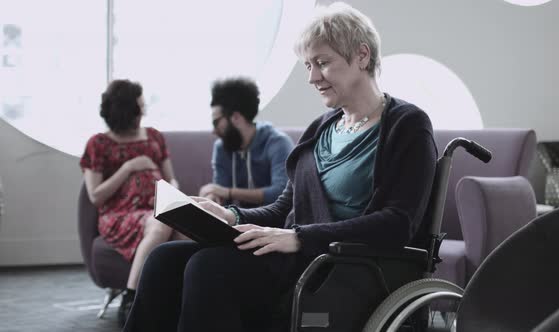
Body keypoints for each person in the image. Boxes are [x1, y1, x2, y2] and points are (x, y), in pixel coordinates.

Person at [124, 3, 437, 332]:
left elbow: (398, 224)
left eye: (322, 62)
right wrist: (232, 216)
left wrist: (299, 238)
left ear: (361, 56)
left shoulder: (407, 125)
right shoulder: (321, 128)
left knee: (208, 266)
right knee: (163, 260)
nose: (312, 77)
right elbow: (286, 207)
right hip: (302, 255)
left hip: (345, 266)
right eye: (308, 65)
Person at [80, 79, 186, 327]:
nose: (144, 112)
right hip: (119, 214)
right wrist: (128, 168)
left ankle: (182, 299)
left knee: (184, 228)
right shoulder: (98, 144)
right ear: (125, 112)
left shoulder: (154, 137)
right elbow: (96, 195)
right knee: (160, 224)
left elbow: (172, 179)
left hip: (157, 207)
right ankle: (131, 298)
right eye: (139, 107)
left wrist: (175, 196)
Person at [199, 77, 293, 207]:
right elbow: (220, 190)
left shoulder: (278, 143)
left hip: (274, 223)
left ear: (236, 117)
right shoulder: (222, 147)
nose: (214, 131)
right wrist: (212, 197)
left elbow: (281, 193)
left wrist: (229, 192)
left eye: (216, 122)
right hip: (235, 220)